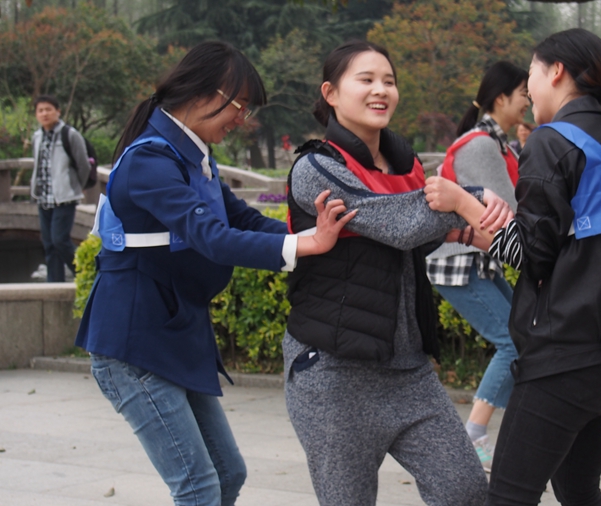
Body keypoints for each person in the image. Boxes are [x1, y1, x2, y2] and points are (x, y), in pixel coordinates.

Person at [75, 41, 354, 506]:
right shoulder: (150, 160)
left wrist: (316, 234)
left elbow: (240, 218)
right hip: (133, 344)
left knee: (227, 474)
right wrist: (306, 244)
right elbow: (212, 237)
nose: (242, 119)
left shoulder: (192, 154)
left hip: (174, 333)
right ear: (205, 92)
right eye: (239, 105)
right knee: (198, 487)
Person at [423, 28, 601, 505]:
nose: (529, 89)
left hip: (568, 360)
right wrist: (484, 233)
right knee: (577, 488)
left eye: (532, 73)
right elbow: (585, 246)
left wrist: (462, 203)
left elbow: (533, 256)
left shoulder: (551, 141)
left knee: (509, 497)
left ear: (556, 71)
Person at [282, 40, 511, 506]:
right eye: (365, 80)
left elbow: (410, 238)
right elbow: (395, 223)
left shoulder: (405, 166)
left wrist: (461, 230)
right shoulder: (315, 167)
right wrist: (468, 199)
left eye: (388, 81)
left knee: (466, 490)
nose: (380, 90)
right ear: (331, 93)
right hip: (334, 373)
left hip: (409, 371)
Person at [425, 60, 529, 471]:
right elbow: (507, 214)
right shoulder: (482, 145)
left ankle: (507, 428)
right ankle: (474, 434)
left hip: (475, 259)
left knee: (525, 337)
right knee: (515, 340)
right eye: (523, 93)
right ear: (501, 98)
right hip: (459, 261)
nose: (528, 100)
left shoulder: (496, 143)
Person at [30, 95, 92, 282]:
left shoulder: (70, 134)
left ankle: (85, 275)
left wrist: (76, 186)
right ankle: (54, 284)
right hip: (43, 198)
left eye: (48, 109)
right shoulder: (37, 137)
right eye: (40, 110)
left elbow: (84, 166)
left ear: (58, 111)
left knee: (60, 240)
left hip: (64, 198)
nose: (44, 114)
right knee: (49, 244)